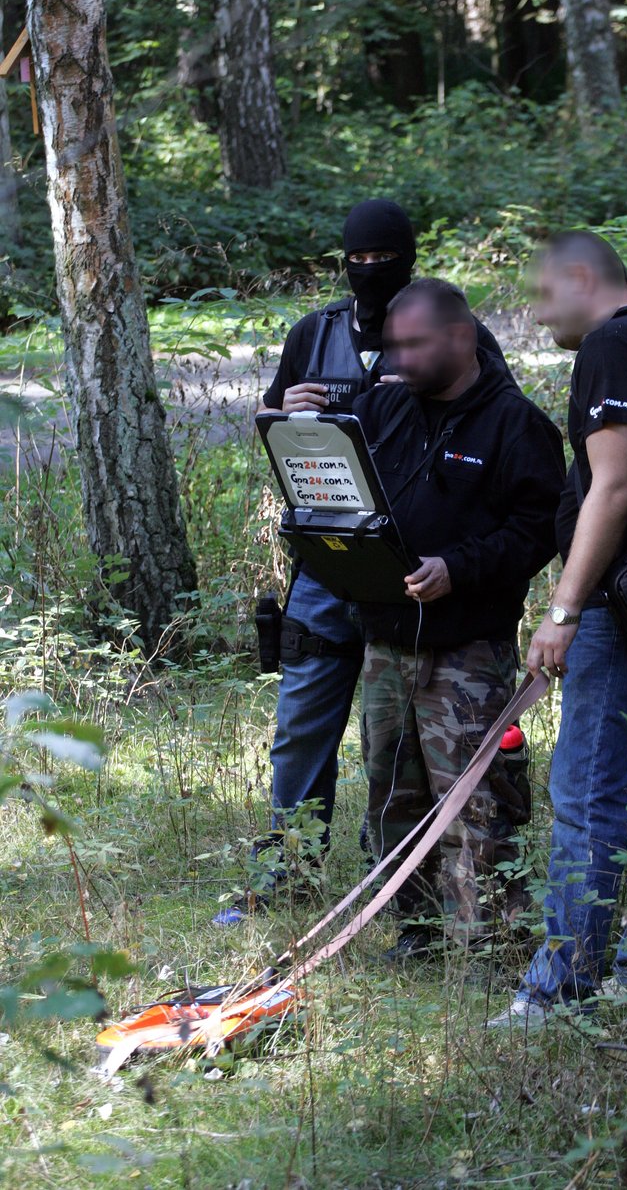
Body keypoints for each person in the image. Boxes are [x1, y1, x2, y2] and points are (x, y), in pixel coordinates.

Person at [214, 200, 505, 926]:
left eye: (385, 259)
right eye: (359, 260)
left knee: (406, 746)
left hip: (412, 571)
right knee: (303, 724)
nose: (370, 271)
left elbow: (493, 423)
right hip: (326, 563)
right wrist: (286, 408)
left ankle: (425, 889)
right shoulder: (315, 334)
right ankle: (287, 871)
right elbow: (275, 433)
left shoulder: (447, 331)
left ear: (409, 257)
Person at [487, 230, 627, 1027]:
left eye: (543, 296)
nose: (539, 316)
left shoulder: (615, 346)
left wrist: (564, 610)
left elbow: (614, 487)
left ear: (581, 278)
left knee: (585, 794)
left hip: (620, 605)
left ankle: (560, 987)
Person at [354, 278, 566, 957]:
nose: (401, 359)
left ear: (461, 337)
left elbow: (539, 530)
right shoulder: (384, 410)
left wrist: (460, 567)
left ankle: (491, 943)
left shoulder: (516, 425)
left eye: (415, 344)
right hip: (387, 640)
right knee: (392, 792)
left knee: (476, 800)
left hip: (467, 649)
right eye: (393, 346)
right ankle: (415, 932)